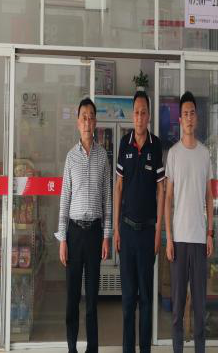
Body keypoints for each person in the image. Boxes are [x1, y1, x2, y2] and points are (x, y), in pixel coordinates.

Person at [55, 97, 112, 353]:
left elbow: (107, 199)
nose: (87, 122)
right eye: (83, 117)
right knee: (72, 299)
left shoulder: (103, 158)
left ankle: (92, 349)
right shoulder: (70, 158)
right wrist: (62, 239)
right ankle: (71, 348)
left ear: (95, 122)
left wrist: (106, 236)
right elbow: (64, 199)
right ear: (78, 123)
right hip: (74, 234)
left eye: (91, 117)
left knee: (92, 301)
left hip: (95, 234)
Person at [114, 90, 165, 353]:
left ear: (149, 116)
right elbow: (118, 186)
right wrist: (116, 229)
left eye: (144, 112)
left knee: (145, 298)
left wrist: (158, 231)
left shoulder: (156, 146)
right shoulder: (124, 143)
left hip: (147, 234)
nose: (140, 116)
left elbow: (161, 190)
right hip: (127, 230)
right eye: (136, 112)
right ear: (131, 115)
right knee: (127, 301)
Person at [164, 91, 214, 353]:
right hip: (179, 241)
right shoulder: (173, 154)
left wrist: (210, 233)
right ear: (180, 119)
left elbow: (209, 196)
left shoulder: (205, 154)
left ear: (197, 117)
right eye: (185, 113)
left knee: (200, 308)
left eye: (192, 113)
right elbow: (168, 198)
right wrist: (168, 238)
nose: (189, 117)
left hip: (199, 240)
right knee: (177, 308)